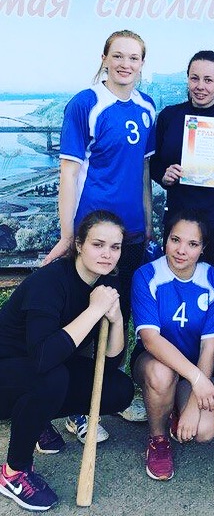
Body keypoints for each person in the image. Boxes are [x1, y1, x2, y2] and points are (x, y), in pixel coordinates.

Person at [43, 29, 155, 431]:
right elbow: (69, 174)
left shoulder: (147, 106)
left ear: (142, 64)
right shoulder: (86, 103)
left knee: (118, 317)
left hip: (131, 236)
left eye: (134, 57)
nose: (126, 64)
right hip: (94, 237)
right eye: (118, 55)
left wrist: (147, 223)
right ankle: (72, 405)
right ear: (105, 58)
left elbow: (143, 171)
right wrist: (69, 235)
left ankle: (106, 393)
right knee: (82, 319)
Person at [0, 211, 134, 512]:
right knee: (52, 377)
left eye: (115, 247)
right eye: (98, 244)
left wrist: (115, 320)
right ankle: (13, 473)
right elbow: (43, 356)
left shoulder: (107, 283)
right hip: (8, 373)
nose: (107, 254)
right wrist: (93, 311)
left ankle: (35, 418)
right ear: (79, 245)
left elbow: (109, 363)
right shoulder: (49, 282)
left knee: (118, 389)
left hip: (39, 370)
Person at [131, 210, 214, 481]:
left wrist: (194, 404)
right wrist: (199, 380)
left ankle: (176, 403)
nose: (181, 250)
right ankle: (158, 439)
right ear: (166, 239)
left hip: (196, 366)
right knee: (162, 374)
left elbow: (210, 348)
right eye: (175, 240)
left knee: (204, 431)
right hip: (154, 362)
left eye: (193, 244)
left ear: (203, 248)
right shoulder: (147, 275)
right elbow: (150, 340)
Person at [151, 50, 214, 279]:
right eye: (195, 78)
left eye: (208, 80)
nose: (200, 86)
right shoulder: (169, 117)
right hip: (178, 220)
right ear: (187, 79)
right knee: (174, 286)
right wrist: (164, 176)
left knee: (213, 288)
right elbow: (154, 165)